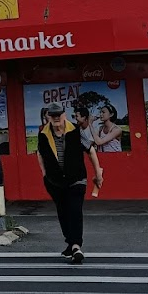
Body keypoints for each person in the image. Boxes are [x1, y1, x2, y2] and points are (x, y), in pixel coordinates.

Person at [37, 102, 103, 264]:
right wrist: (45, 174)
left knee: (74, 210)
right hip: (56, 181)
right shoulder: (44, 134)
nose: (56, 118)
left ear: (64, 115)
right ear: (48, 117)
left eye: (59, 114)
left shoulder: (74, 131)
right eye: (53, 115)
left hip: (76, 179)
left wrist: (98, 174)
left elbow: (91, 150)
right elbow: (40, 153)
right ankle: (70, 243)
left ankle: (76, 246)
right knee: (63, 212)